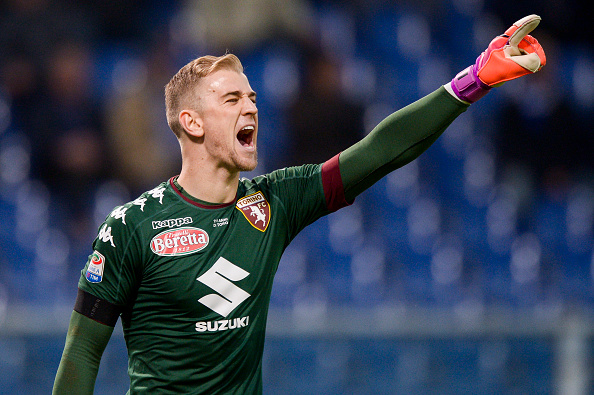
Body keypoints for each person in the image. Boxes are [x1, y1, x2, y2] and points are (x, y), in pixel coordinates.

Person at [53, 15, 546, 394]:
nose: (251, 107)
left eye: (251, 97)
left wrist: (474, 80)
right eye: (231, 101)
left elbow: (379, 151)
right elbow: (81, 354)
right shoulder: (131, 226)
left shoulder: (275, 202)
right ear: (193, 123)